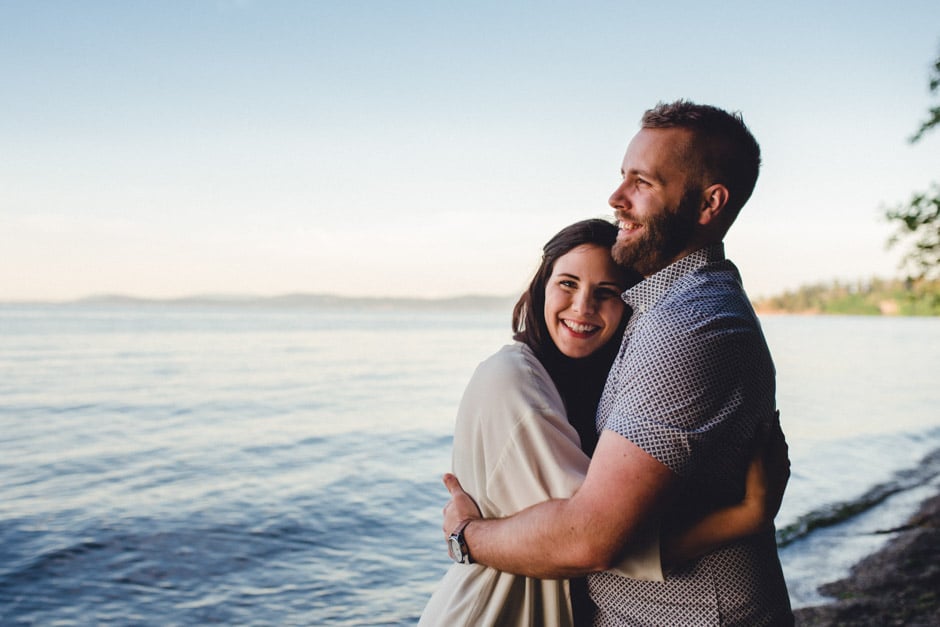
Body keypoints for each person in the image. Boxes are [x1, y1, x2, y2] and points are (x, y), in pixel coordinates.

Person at [442, 101, 794, 625]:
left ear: (708, 204)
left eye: (643, 182)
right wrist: (739, 519)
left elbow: (587, 539)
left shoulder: (689, 326)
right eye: (621, 177)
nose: (616, 198)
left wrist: (466, 537)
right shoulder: (661, 312)